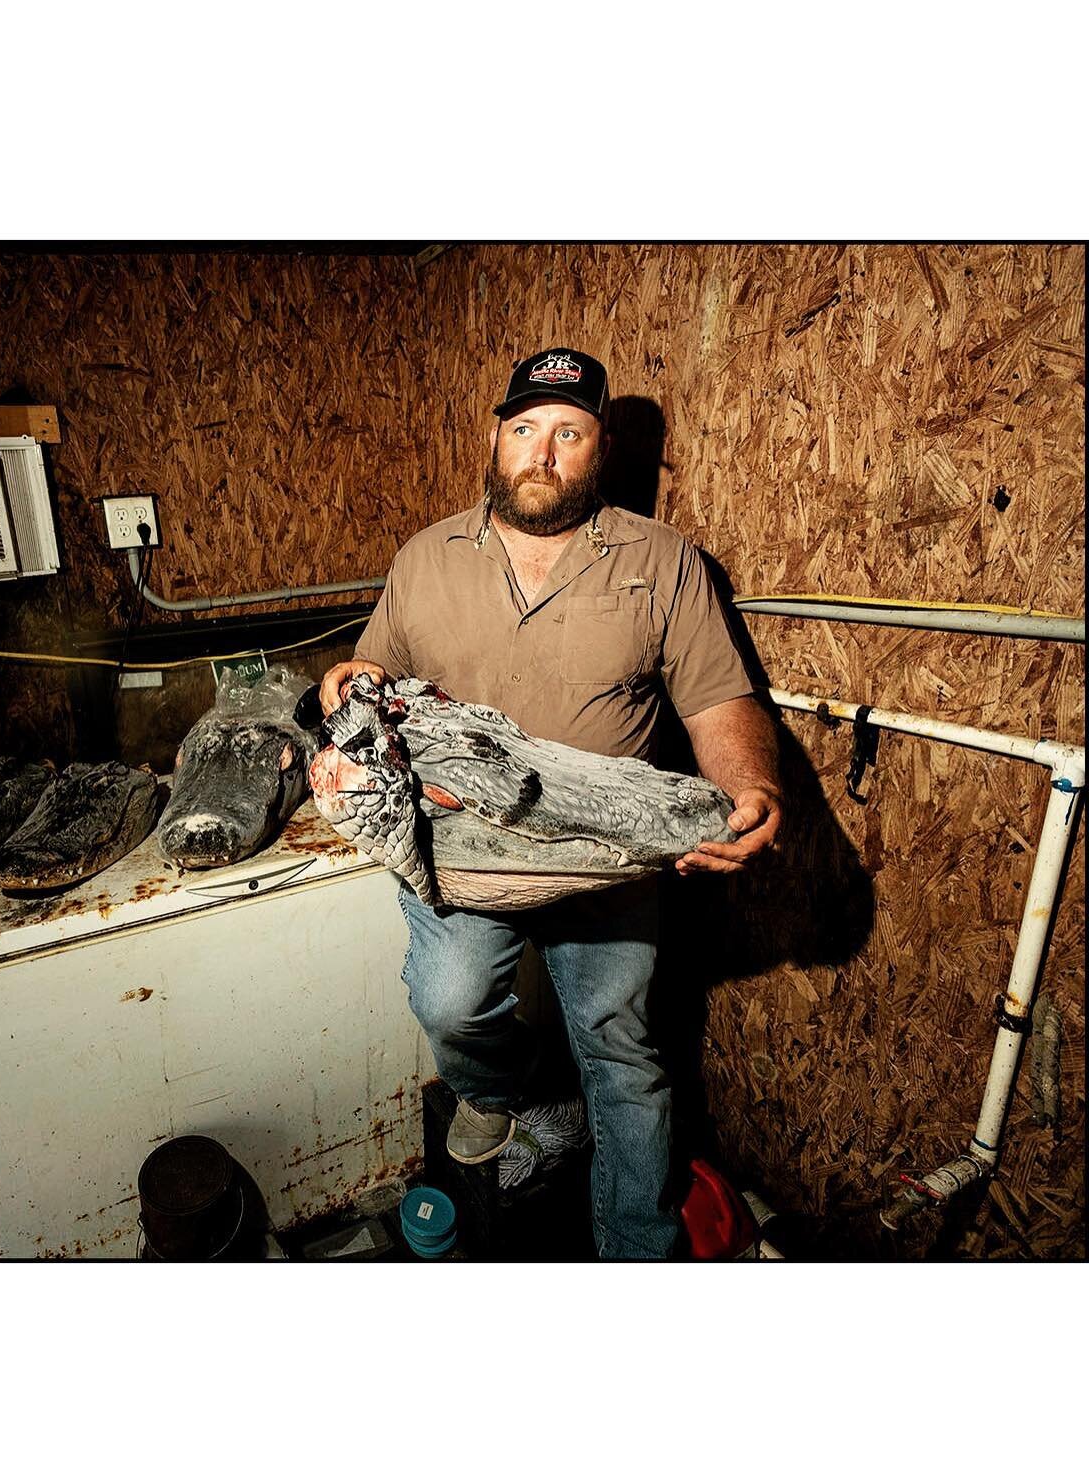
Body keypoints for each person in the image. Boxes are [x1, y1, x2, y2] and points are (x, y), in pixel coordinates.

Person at [319, 347, 783, 1259]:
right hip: (463, 844)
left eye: (567, 433)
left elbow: (719, 703)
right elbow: (375, 671)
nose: (542, 451)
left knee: (625, 1056)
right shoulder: (425, 558)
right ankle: (509, 1095)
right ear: (496, 440)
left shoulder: (665, 562)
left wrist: (750, 786)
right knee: (451, 1001)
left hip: (605, 857)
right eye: (525, 429)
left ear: (598, 451)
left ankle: (636, 1256)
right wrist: (350, 679)